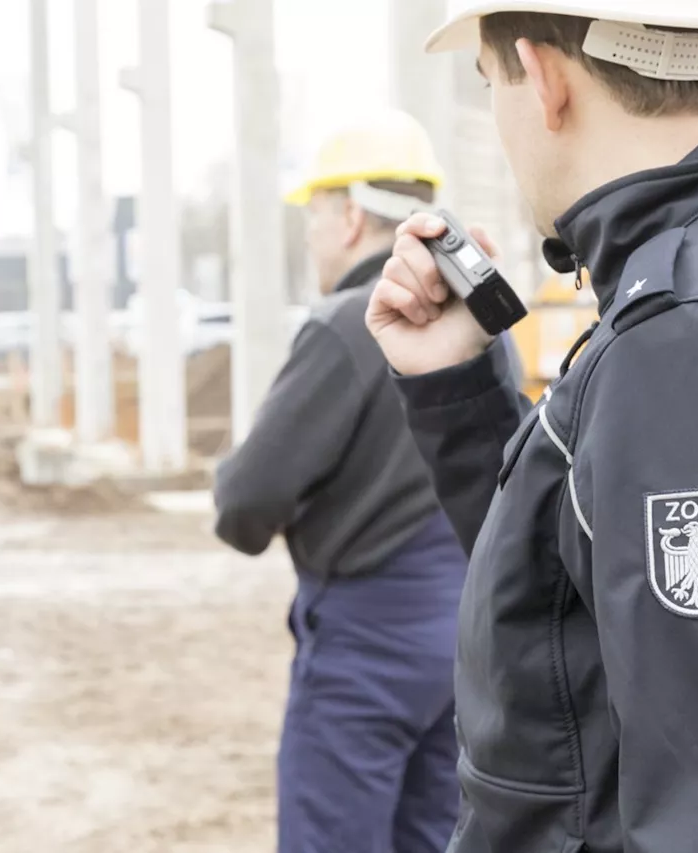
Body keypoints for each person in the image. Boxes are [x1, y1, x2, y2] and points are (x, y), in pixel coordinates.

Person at [366, 2, 698, 851]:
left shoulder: (690, 334)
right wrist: (455, 387)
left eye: (488, 81)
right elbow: (581, 609)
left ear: (542, 79)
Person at [214, 110, 471, 853]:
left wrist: (233, 478)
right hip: (458, 643)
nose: (313, 241)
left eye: (315, 222)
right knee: (435, 835)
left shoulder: (345, 325)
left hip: (366, 649)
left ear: (352, 215)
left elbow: (246, 501)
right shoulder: (471, 322)